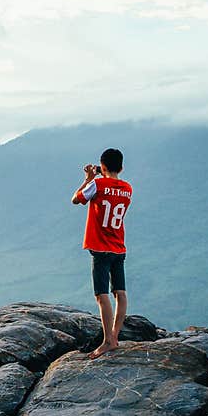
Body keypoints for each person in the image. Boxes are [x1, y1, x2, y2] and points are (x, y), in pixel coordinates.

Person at [71, 148, 132, 359]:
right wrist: (102, 175)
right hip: (119, 247)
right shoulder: (127, 189)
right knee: (120, 293)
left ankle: (107, 342)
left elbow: (76, 199)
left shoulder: (97, 184)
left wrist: (89, 178)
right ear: (121, 167)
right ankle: (115, 336)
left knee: (101, 295)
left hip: (100, 248)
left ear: (102, 167)